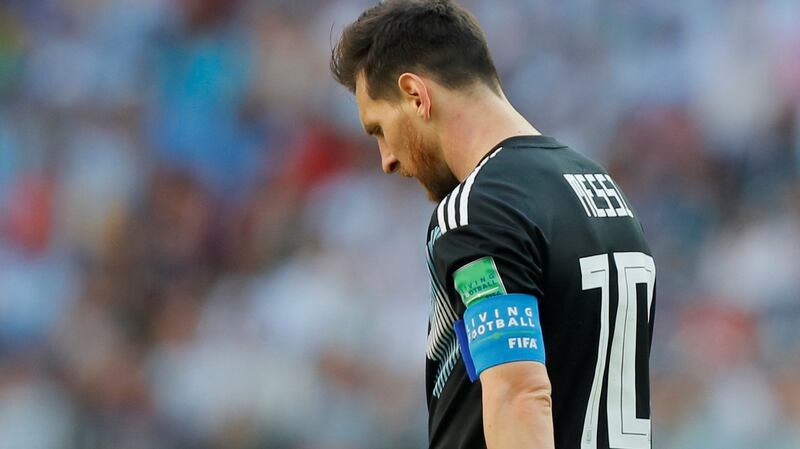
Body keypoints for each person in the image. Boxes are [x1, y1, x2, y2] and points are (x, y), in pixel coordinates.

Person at [330, 1, 656, 448]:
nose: (386, 159)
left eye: (379, 129)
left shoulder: (479, 209)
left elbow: (519, 394)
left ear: (415, 95)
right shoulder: (600, 189)